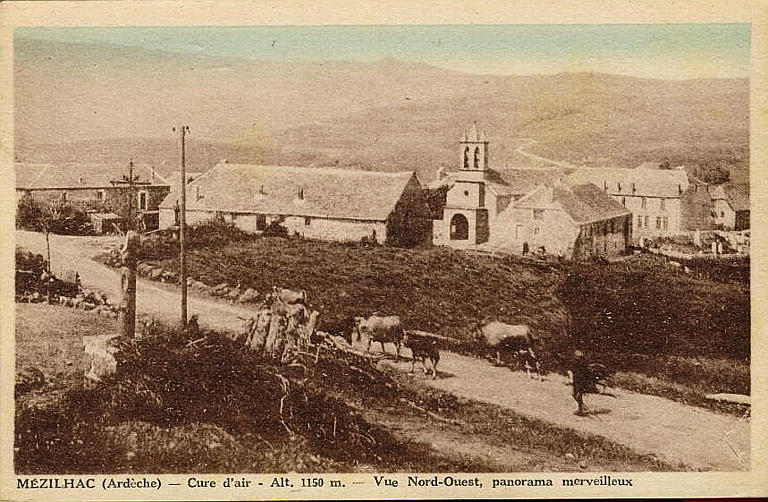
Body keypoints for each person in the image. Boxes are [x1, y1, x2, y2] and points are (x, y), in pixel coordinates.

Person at [571, 350, 591, 416]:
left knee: (577, 394)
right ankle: (582, 407)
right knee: (575, 394)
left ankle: (581, 409)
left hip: (579, 380)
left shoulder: (579, 363)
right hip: (578, 380)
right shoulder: (580, 363)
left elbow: (582, 372)